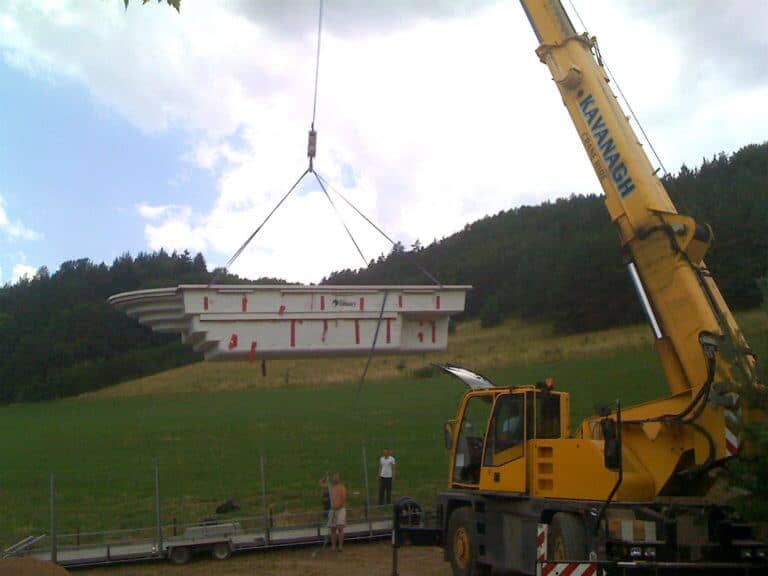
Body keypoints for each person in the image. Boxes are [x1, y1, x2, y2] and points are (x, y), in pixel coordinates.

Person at [320, 473, 347, 551]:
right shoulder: (330, 487)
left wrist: (337, 507)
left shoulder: (342, 487)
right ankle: (333, 546)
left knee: (340, 528)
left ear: (339, 479)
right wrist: (325, 477)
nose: (335, 479)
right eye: (334, 478)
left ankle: (340, 546)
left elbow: (343, 499)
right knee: (333, 528)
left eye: (337, 478)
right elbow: (321, 483)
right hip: (332, 510)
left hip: (340, 509)